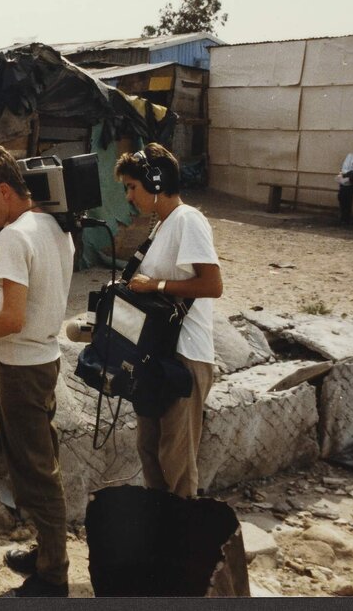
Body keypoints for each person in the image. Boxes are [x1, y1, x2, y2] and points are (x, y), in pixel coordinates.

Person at [0, 142, 74, 598]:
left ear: (4, 190)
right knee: (41, 464)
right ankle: (46, 554)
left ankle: (53, 575)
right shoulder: (53, 224)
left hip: (22, 366)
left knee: (35, 472)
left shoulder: (14, 236)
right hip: (44, 359)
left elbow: (10, 320)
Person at [114, 143, 223, 499]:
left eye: (132, 187)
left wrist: (156, 284)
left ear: (156, 182)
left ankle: (184, 541)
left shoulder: (188, 220)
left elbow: (212, 284)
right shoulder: (161, 227)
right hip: (157, 355)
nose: (129, 197)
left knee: (176, 460)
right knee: (150, 450)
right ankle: (161, 534)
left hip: (185, 357)